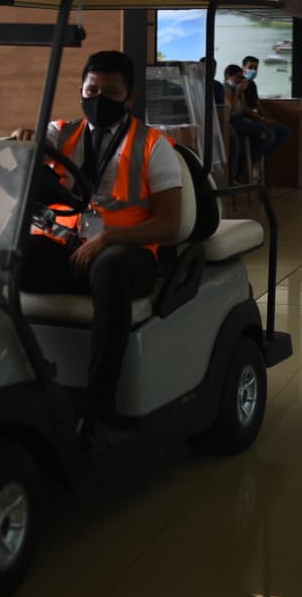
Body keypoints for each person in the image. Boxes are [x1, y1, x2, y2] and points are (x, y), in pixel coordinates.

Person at [10, 50, 183, 450]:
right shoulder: (60, 131)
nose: (98, 98)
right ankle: (18, 381)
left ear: (130, 97)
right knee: (9, 258)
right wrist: (25, 139)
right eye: (92, 89)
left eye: (110, 91)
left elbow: (170, 225)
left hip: (128, 253)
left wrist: (109, 238)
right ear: (81, 90)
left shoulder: (153, 146)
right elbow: (36, 143)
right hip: (67, 248)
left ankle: (98, 408)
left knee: (109, 270)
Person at [234, 55, 291, 177]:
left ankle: (263, 158)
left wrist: (267, 116)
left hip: (256, 117)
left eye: (256, 68)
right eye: (250, 67)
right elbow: (243, 108)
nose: (253, 71)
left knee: (284, 131)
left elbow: (257, 103)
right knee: (269, 136)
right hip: (247, 118)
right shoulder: (239, 84)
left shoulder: (252, 84)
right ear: (243, 67)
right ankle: (254, 163)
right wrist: (261, 119)